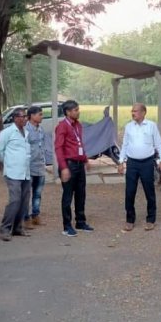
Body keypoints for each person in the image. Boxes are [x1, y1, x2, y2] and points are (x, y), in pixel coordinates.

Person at [118, 103, 161, 231]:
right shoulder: (129, 127)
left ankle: (151, 219)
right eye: (132, 111)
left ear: (144, 112)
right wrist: (120, 161)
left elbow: (159, 144)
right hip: (132, 163)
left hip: (147, 163)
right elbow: (125, 145)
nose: (133, 113)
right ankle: (130, 219)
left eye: (136, 111)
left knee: (149, 191)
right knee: (129, 191)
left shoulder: (151, 126)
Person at [54, 99, 94, 236]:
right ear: (68, 112)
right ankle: (67, 226)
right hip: (69, 165)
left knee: (81, 194)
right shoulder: (62, 126)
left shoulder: (78, 125)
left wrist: (85, 160)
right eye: (76, 110)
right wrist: (64, 168)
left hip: (79, 164)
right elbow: (58, 148)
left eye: (78, 109)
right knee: (67, 195)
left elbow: (79, 144)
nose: (78, 112)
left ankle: (80, 222)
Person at [0, 109, 31, 240]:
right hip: (13, 172)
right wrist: (9, 162)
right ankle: (5, 228)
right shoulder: (7, 132)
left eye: (26, 116)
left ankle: (17, 228)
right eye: (22, 117)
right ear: (15, 118)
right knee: (15, 200)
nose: (25, 119)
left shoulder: (26, 133)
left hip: (25, 172)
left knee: (24, 201)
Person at [26, 105, 47, 227]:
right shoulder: (25, 130)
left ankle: (35, 215)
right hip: (29, 166)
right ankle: (26, 217)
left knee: (38, 193)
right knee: (27, 193)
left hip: (40, 165)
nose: (42, 117)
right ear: (32, 116)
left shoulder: (41, 130)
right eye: (40, 114)